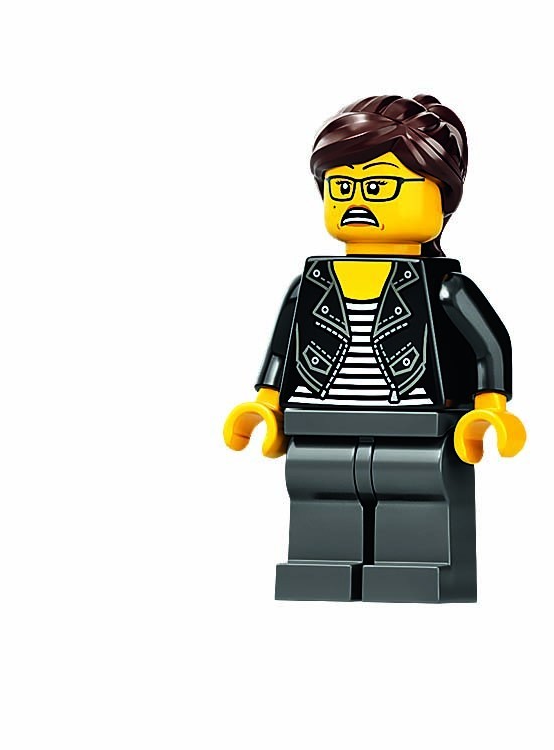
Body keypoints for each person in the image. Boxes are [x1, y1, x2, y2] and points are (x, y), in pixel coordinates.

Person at [223, 95, 525, 603]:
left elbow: (489, 345)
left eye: (380, 186)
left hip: (415, 419)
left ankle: (419, 573)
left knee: (416, 492)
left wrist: (489, 407)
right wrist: (266, 403)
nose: (357, 201)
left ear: (440, 196)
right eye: (341, 187)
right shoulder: (311, 284)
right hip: (319, 419)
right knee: (320, 491)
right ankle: (320, 570)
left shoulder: (444, 288)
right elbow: (282, 350)